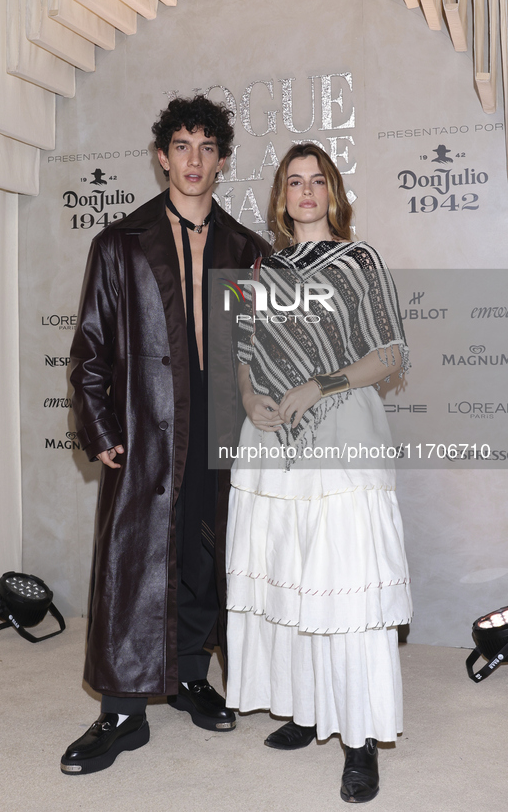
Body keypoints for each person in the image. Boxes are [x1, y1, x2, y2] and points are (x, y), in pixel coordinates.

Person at [61, 95, 270, 776]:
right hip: (147, 431)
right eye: (181, 145)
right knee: (134, 562)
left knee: (202, 555)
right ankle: (121, 710)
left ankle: (187, 675)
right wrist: (97, 427)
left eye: (206, 147)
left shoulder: (246, 250)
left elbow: (260, 352)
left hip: (220, 430)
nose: (193, 160)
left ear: (221, 161)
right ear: (161, 157)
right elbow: (90, 348)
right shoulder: (118, 244)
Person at [225, 144, 412, 803]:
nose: (305, 191)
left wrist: (321, 381)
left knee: (344, 582)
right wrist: (250, 397)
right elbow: (245, 353)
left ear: (332, 192)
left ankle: (359, 740)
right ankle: (305, 711)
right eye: (293, 181)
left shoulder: (360, 261)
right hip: (272, 441)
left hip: (340, 433)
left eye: (317, 181)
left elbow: (390, 352)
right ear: (281, 197)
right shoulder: (258, 269)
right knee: (289, 578)